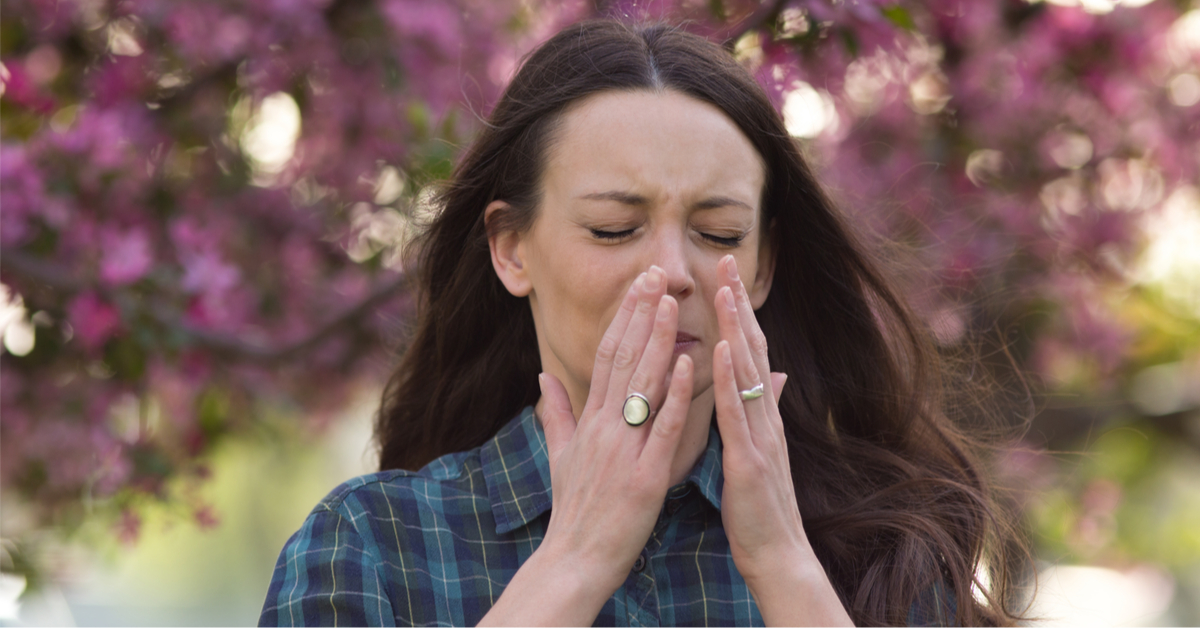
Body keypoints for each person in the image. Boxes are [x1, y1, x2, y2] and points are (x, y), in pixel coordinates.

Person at [260, 19, 1023, 627]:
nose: (672, 273)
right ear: (511, 248)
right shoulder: (372, 543)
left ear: (761, 266)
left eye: (719, 234)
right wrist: (576, 561)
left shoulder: (887, 548)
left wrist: (786, 566)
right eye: (615, 229)